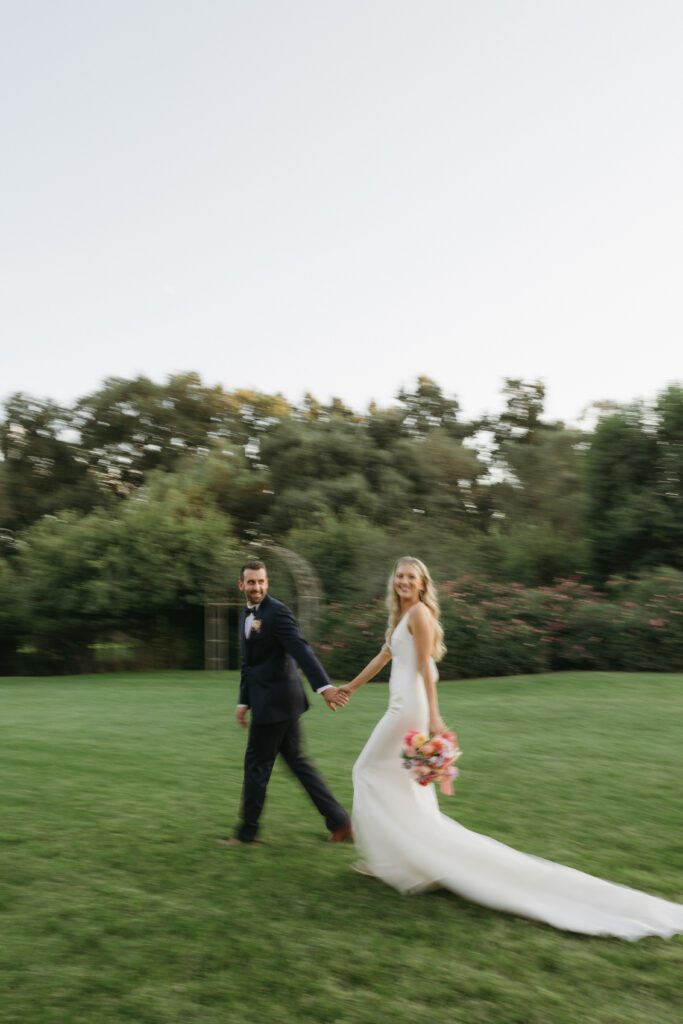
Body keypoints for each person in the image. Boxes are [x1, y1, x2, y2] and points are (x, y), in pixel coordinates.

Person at [338, 556, 683, 940]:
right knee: (398, 786)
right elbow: (384, 656)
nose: (404, 581)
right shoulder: (400, 616)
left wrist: (435, 718)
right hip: (401, 706)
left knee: (366, 770)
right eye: (400, 576)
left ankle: (394, 860)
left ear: (422, 584)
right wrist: (350, 688)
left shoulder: (418, 613)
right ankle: (400, 860)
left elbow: (424, 669)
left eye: (411, 577)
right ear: (394, 582)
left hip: (409, 710)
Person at [218, 560, 352, 846]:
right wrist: (243, 702)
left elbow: (301, 650)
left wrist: (324, 687)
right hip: (275, 703)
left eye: (261, 582)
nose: (257, 587)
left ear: (267, 583)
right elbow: (249, 665)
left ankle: (246, 834)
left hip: (276, 704)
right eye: (251, 582)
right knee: (297, 762)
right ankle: (341, 822)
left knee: (256, 766)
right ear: (241, 585)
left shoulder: (277, 613)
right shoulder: (245, 614)